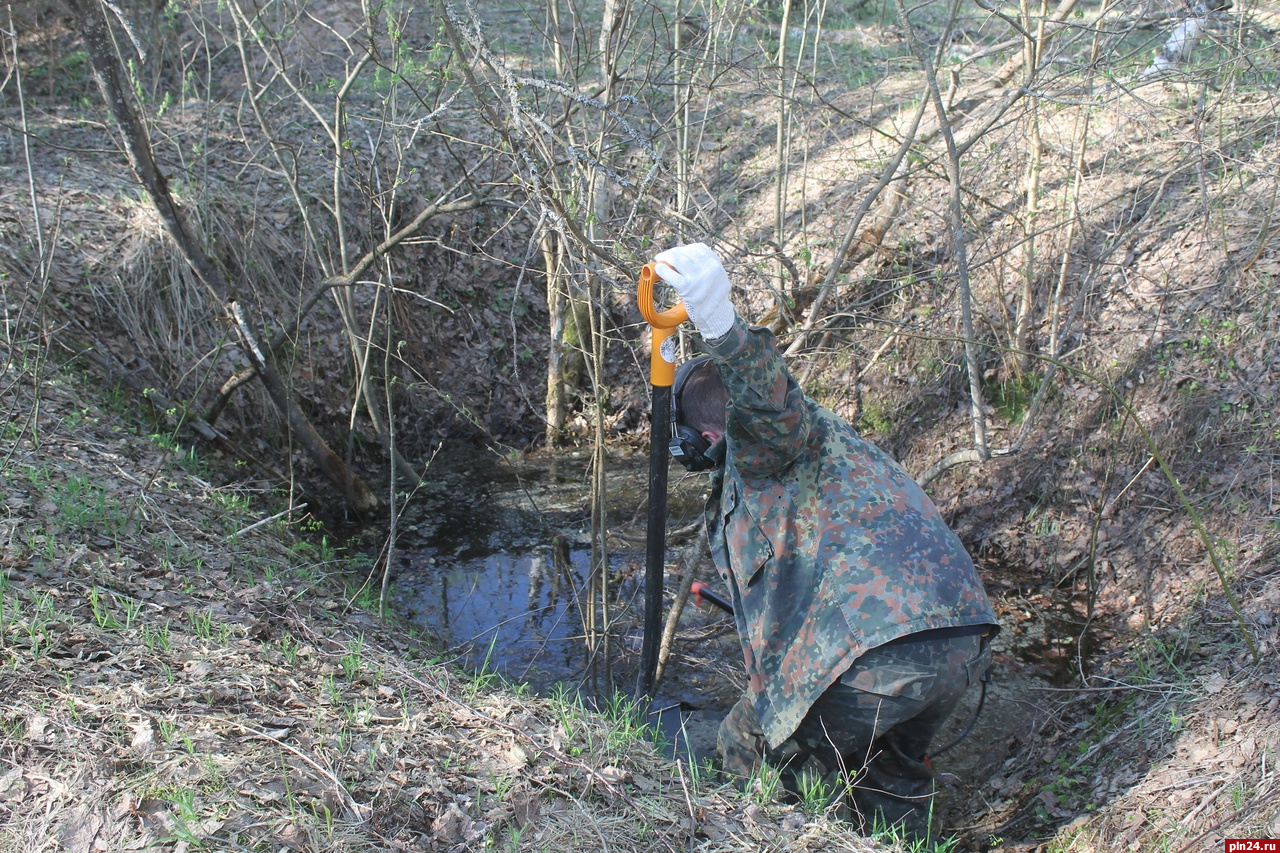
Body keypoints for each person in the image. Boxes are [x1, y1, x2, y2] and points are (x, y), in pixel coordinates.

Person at [652, 243, 1000, 841]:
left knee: (746, 744)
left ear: (706, 434)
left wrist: (721, 325)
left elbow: (764, 404)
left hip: (876, 652)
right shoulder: (835, 440)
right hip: (963, 639)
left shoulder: (759, 445)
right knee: (891, 777)